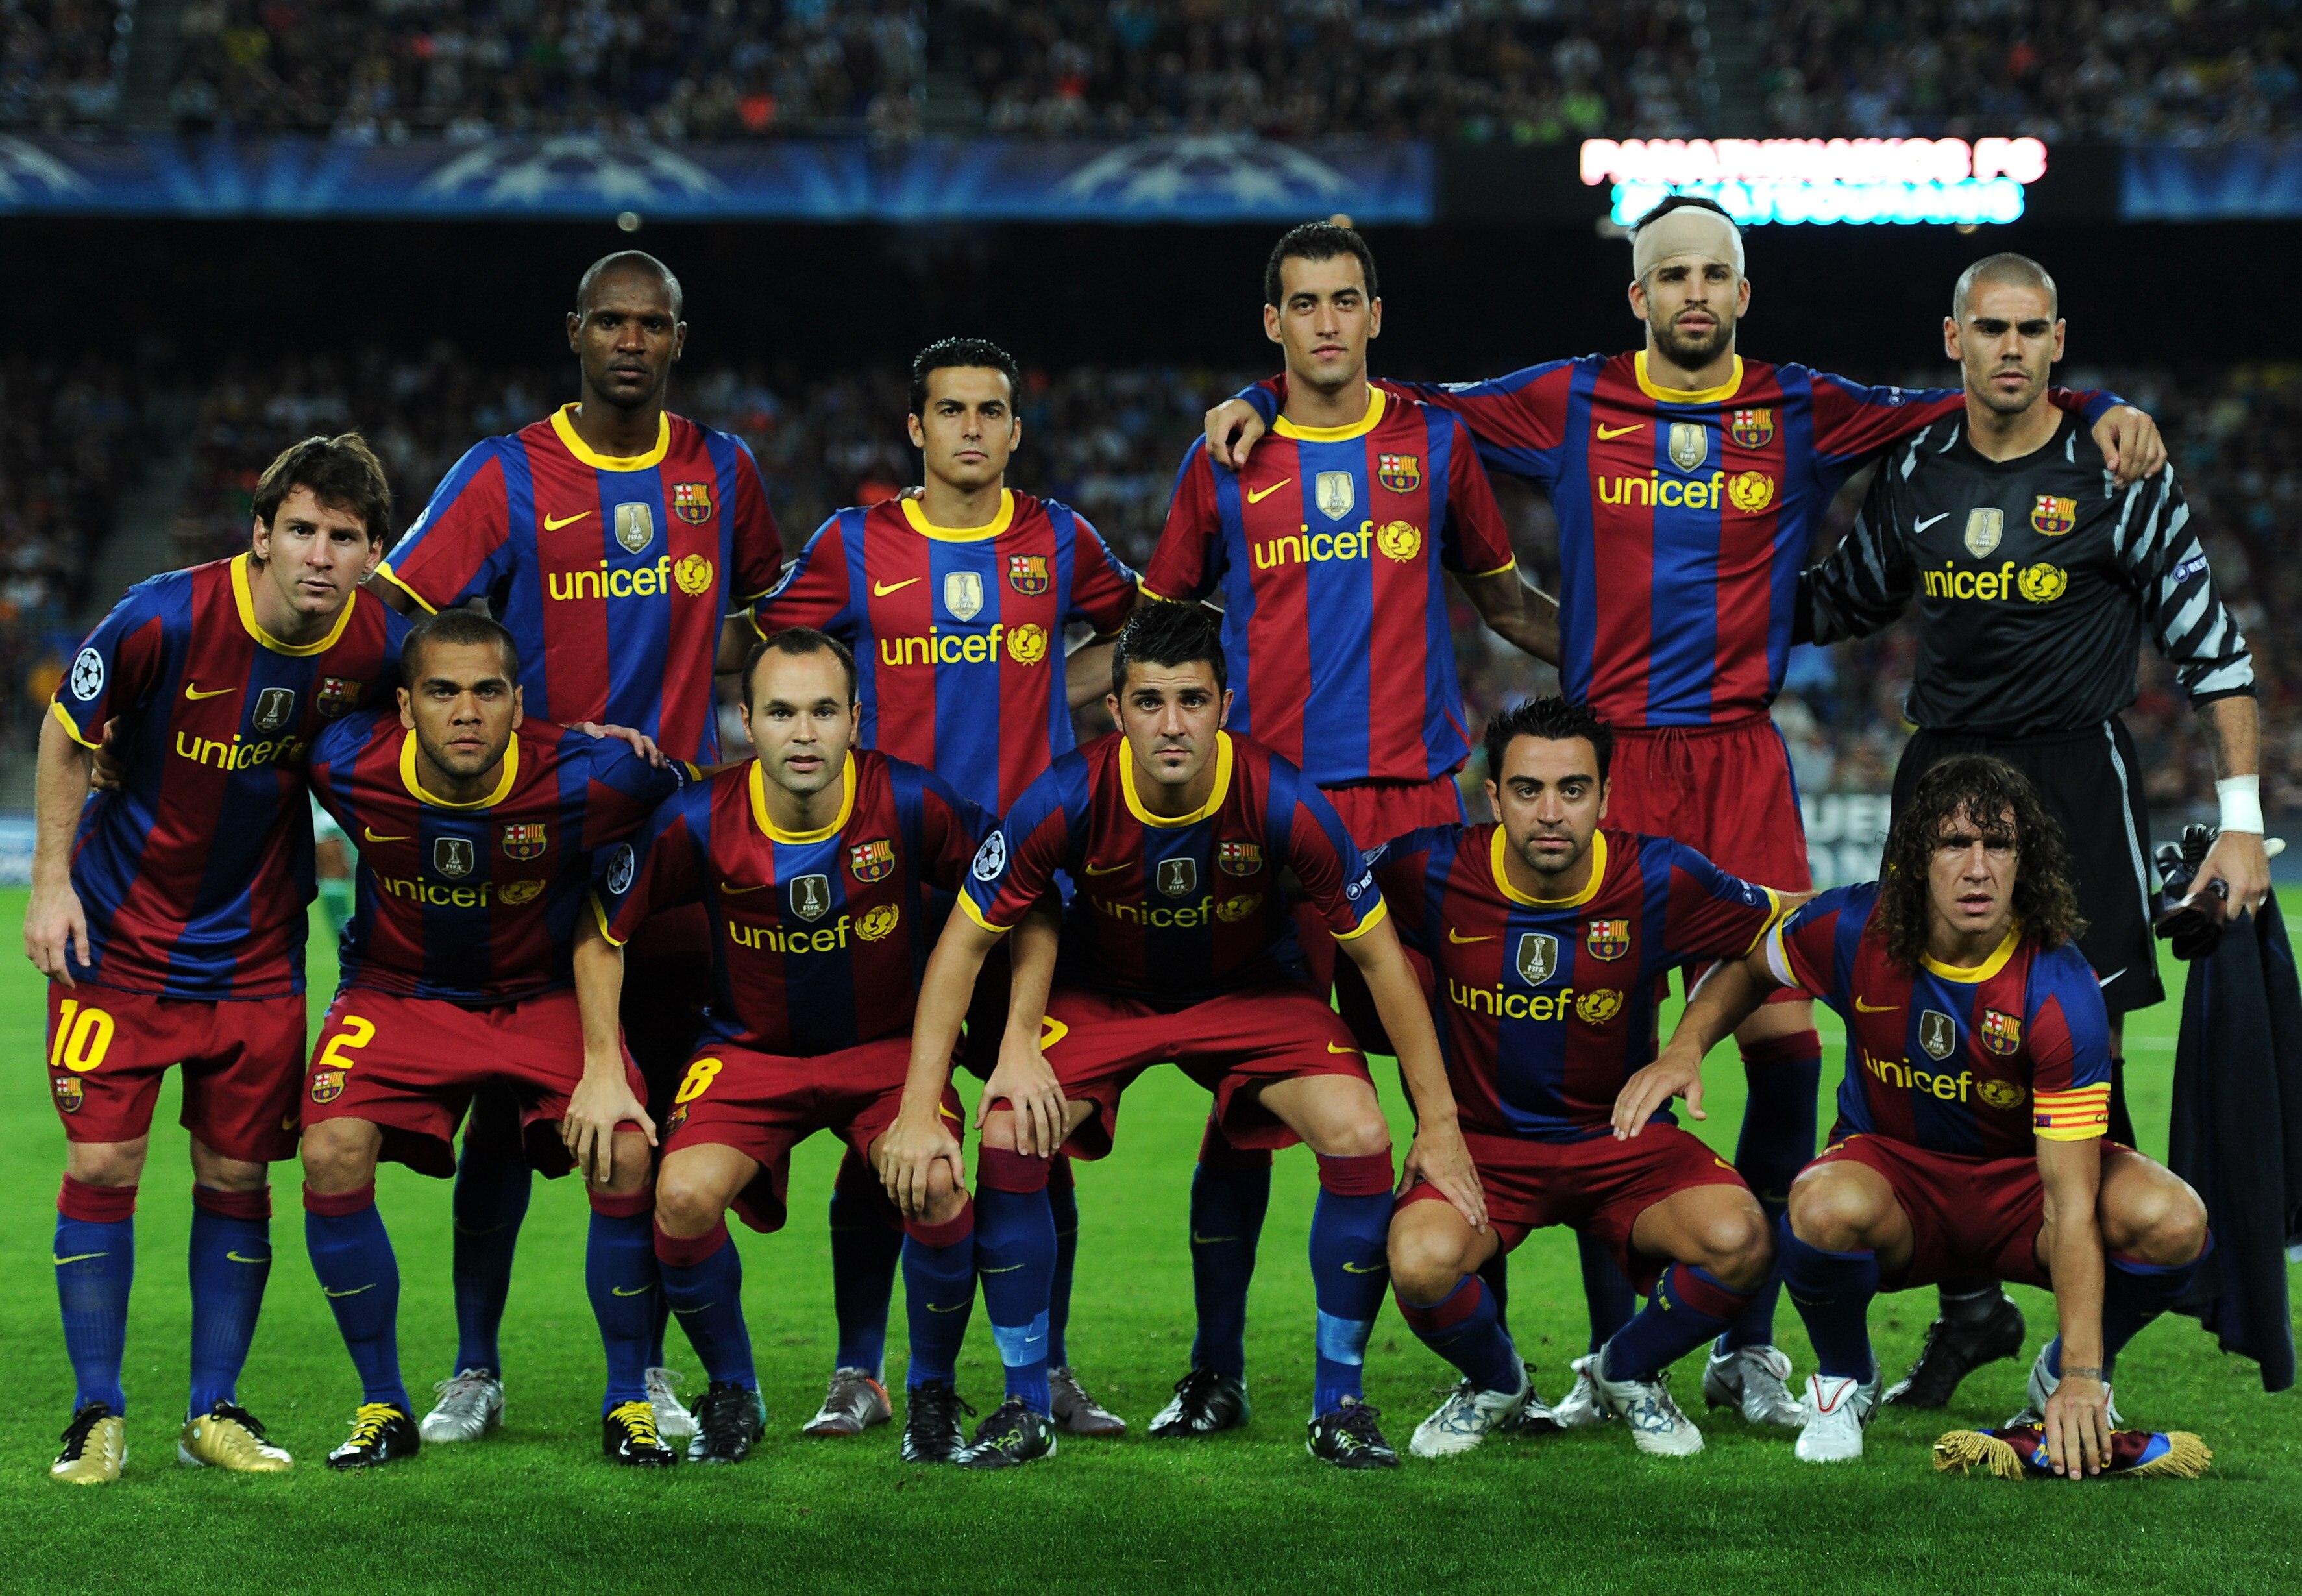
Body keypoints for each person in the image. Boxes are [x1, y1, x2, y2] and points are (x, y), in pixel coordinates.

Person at [1200, 196, 2168, 1427]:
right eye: (1673, 275)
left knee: (1784, 1044)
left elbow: (1970, 395)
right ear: (1639, 296)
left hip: (1739, 759)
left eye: (1715, 272)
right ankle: (1598, 1356)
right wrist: (1259, 391)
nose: (1695, 291)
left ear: (1743, 293)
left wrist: (2092, 401)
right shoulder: (1568, 397)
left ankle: (1743, 1349)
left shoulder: (1802, 405)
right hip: (1613, 765)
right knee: (1585, 1051)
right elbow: (1392, 399)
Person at [1798, 252, 2265, 1408]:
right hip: (1940, 775)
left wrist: (2242, 823)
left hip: (2073, 782)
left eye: (2028, 329)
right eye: (1988, 328)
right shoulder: (1913, 466)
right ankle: (1970, 1310)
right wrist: (1681, 591)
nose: (2008, 347)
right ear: (1951, 338)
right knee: (1916, 1045)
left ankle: (2076, 1363)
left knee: (2080, 1074)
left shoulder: (2116, 467)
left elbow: (2210, 647)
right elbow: (1839, 598)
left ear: (2058, 341)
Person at [878, 602, 1485, 1471]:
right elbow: (962, 944)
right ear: (1114, 709)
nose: (1171, 723)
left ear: (1224, 706)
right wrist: (919, 1105)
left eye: (1192, 700)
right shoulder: (1065, 793)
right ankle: (1024, 1403)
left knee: (1358, 1130)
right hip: (1107, 992)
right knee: (1009, 1129)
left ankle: (1340, 1404)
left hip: (1249, 991)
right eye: (1149, 701)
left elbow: (1381, 958)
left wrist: (1438, 1120)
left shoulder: (1280, 795)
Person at [1141, 221, 1552, 1436]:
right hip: (1271, 818)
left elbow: (1503, 601)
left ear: (1375, 314)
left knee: (1458, 1092)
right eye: (1302, 303)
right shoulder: (1224, 455)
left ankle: (1489, 1363)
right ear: (1272, 324)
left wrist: (1634, 669)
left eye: (1344, 300)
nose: (1325, 321)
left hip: (1419, 814)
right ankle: (1215, 1368)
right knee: (1247, 1101)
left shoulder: (1435, 440)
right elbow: (1160, 634)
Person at [371, 250, 782, 1446]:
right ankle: (474, 1368)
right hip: (529, 854)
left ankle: (645, 1366)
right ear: (575, 332)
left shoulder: (724, 469)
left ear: (678, 339)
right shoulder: (502, 473)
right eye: (610, 321)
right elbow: (401, 621)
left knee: (656, 1120)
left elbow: (773, 622)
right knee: (504, 1122)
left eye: (651, 324)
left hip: (675, 856)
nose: (630, 341)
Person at [745, 336, 1138, 1439]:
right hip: (888, 884)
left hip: (1031, 886)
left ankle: (1046, 1365)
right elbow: (775, 654)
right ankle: (858, 1369)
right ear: (915, 428)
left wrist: (1050, 689)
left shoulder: (1061, 540)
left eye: (991, 410)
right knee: (878, 1125)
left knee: (1033, 1125)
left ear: (1015, 427)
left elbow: (1136, 635)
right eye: (951, 410)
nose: (972, 428)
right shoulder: (853, 543)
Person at [1630, 755, 2212, 1470]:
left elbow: (2068, 1199)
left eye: (1998, 844)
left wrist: (2082, 1373)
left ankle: (2056, 1378)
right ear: (1914, 858)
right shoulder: (1853, 926)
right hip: (1894, 1180)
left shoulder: (2061, 990)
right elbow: (1751, 965)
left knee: (2173, 1219)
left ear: (2024, 861)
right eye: (1953, 843)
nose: (1977, 868)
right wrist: (1684, 1048)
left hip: (2020, 1191)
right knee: (1818, 1205)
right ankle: (1845, 1379)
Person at [27, 434, 408, 1484]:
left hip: (256, 955)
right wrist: (51, 881)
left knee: (237, 1176)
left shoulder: (383, 644)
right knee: (102, 1165)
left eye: (344, 536)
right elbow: (67, 730)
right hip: (119, 941)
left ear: (374, 552)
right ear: (261, 533)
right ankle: (96, 1412)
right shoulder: (162, 616)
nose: (320, 554)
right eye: (301, 529)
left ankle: (214, 1408)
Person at [581, 626, 1025, 1466]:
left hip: (885, 1050)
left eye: (824, 710)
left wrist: (1019, 1040)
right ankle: (733, 1390)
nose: (804, 732)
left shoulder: (909, 800)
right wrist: (604, 1066)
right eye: (781, 712)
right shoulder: (696, 816)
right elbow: (602, 927)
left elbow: (1021, 891)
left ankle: (930, 1393)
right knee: (681, 1197)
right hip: (750, 1053)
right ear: (745, 720)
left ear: (856, 718)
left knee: (934, 1181)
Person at [299, 609, 694, 1469]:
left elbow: (701, 803)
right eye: (442, 691)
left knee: (626, 1147)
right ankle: (385, 1404)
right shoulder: (343, 760)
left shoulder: (598, 772)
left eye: (487, 691)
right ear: (404, 705)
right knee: (328, 1150)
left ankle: (628, 1396)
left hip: (541, 992)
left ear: (519, 702)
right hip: (398, 992)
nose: (466, 711)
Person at [1381, 697, 1796, 1458]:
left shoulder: (1661, 875)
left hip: (1622, 1144)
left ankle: (1623, 1370)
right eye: (1527, 789)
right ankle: (1497, 1382)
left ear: (1605, 796)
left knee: (1740, 1240)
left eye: (1572, 789)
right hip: (1484, 1149)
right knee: (1417, 1260)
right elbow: (1321, 891)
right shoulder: (1428, 868)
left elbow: (1781, 931)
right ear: (1493, 796)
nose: (1550, 811)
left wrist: (1686, 1045)